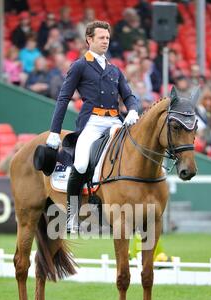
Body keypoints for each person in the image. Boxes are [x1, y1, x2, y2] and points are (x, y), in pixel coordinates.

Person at [46, 20, 139, 232]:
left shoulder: (115, 69)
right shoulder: (80, 66)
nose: (105, 41)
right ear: (89, 40)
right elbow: (63, 98)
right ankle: (71, 215)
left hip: (115, 121)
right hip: (92, 122)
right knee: (80, 164)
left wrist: (133, 109)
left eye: (107, 38)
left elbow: (129, 95)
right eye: (101, 38)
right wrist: (54, 131)